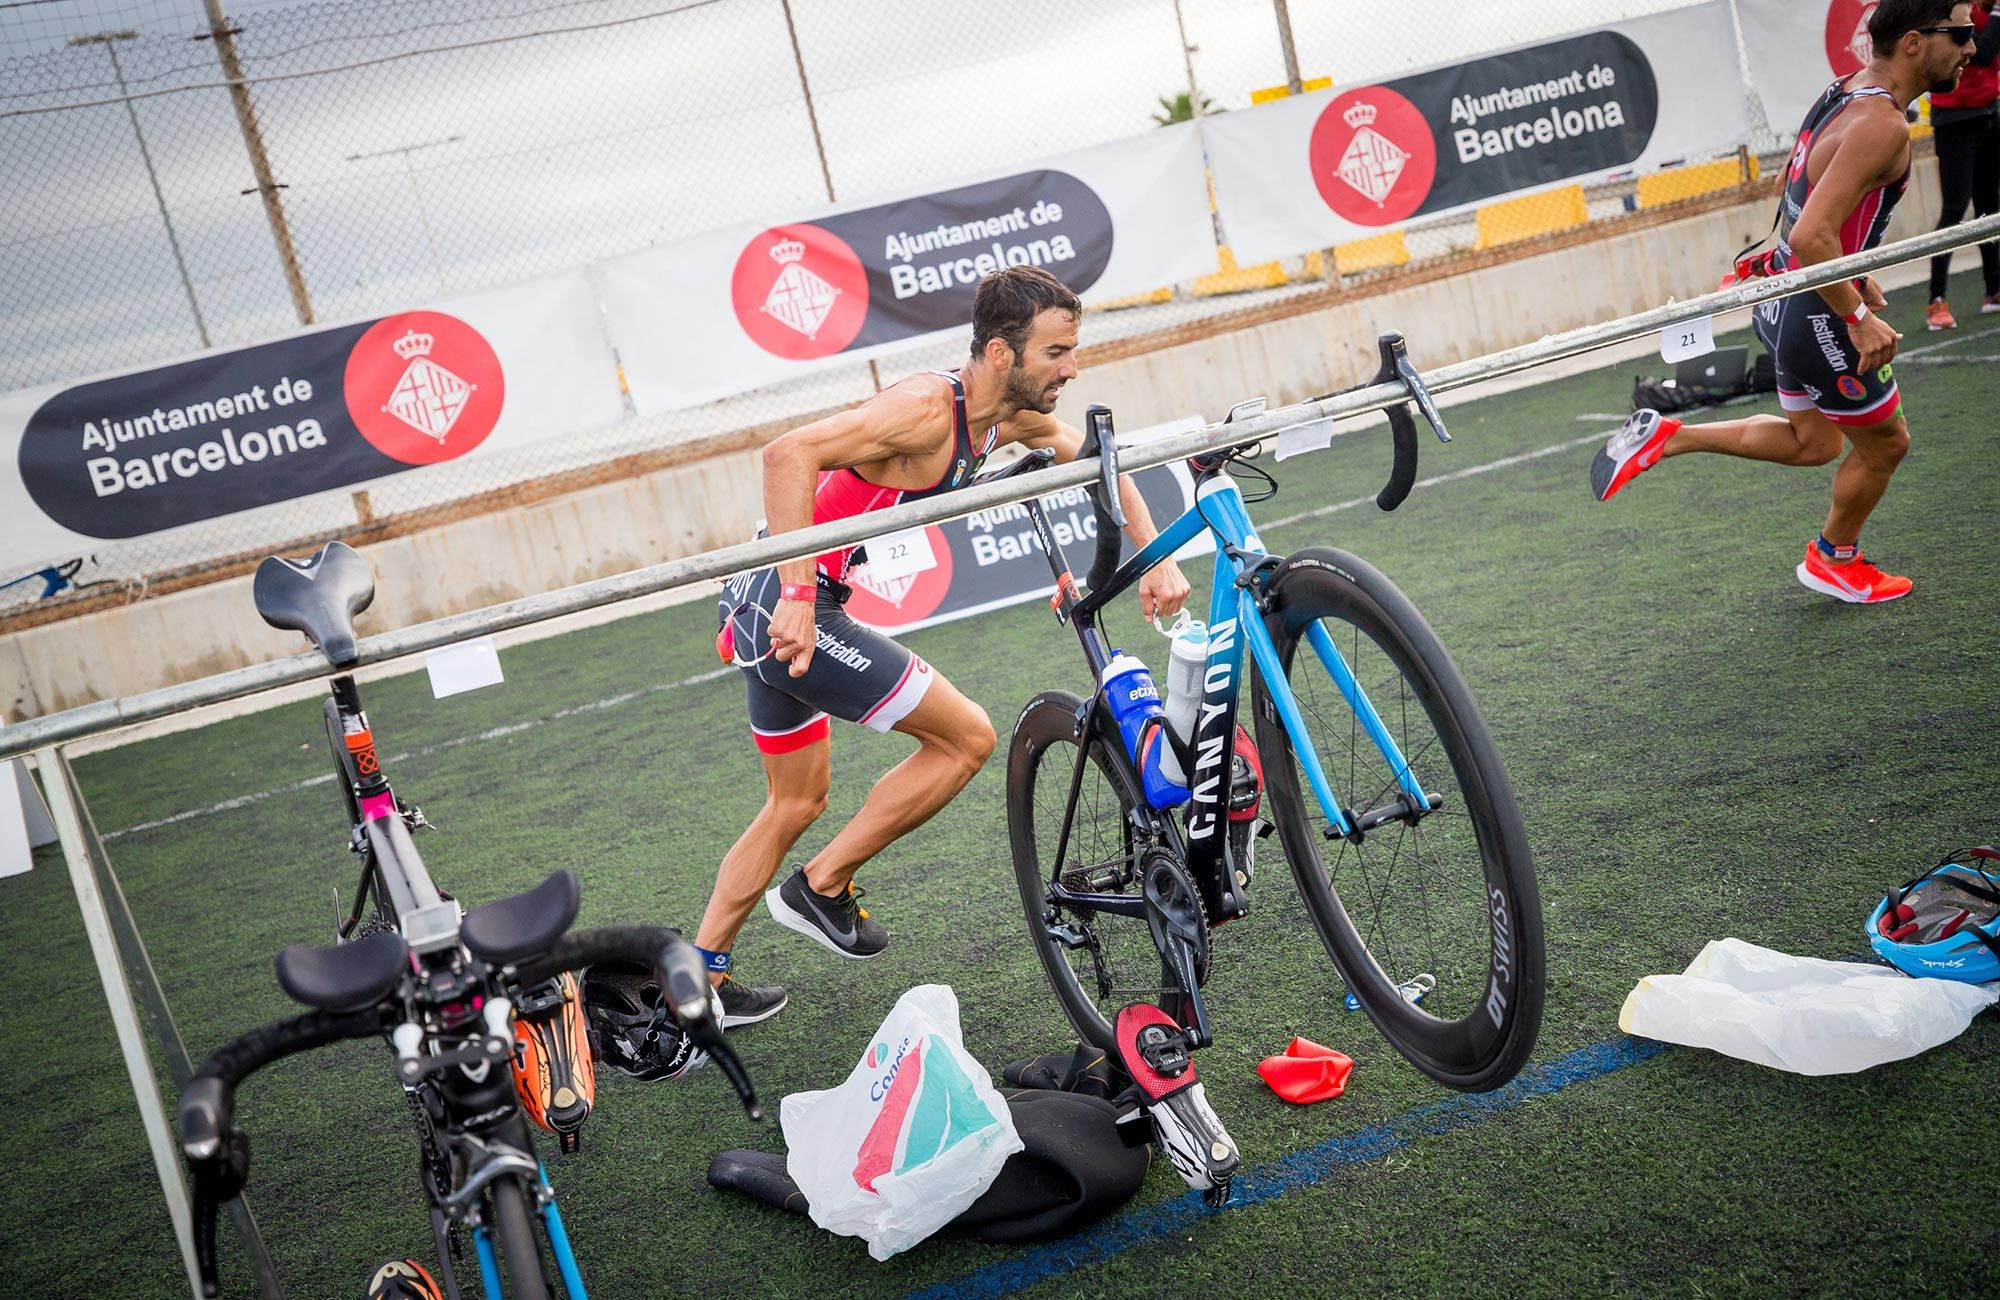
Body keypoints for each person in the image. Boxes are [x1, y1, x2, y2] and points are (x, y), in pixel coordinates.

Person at [694, 266, 1191, 1024]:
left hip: (769, 600)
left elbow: (1094, 458)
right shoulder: (928, 410)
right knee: (966, 739)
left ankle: (699, 983)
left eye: (1072, 349)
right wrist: (796, 595)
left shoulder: (1005, 418)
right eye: (1056, 352)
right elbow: (786, 456)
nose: (1072, 366)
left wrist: (1153, 554)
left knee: (795, 800)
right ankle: (819, 886)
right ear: (1000, 352)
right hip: (790, 605)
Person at [1591, 0, 1980, 604]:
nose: (1972, 46)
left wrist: (1855, 271)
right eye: (1960, 33)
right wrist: (1856, 315)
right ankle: (1834, 559)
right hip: (1816, 313)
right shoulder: (1883, 125)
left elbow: (1789, 187)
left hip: (1782, 297)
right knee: (1887, 446)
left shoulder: (1846, 90)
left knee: (1816, 443)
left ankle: (1668, 436)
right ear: (1912, 41)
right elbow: (1810, 233)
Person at [1925, 0, 2000, 329]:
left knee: (1990, 207)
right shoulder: (1953, 12)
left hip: (1988, 112)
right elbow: (1981, 52)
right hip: (1955, 120)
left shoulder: (1982, 12)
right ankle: (1936, 299)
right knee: (1954, 210)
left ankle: (1994, 289)